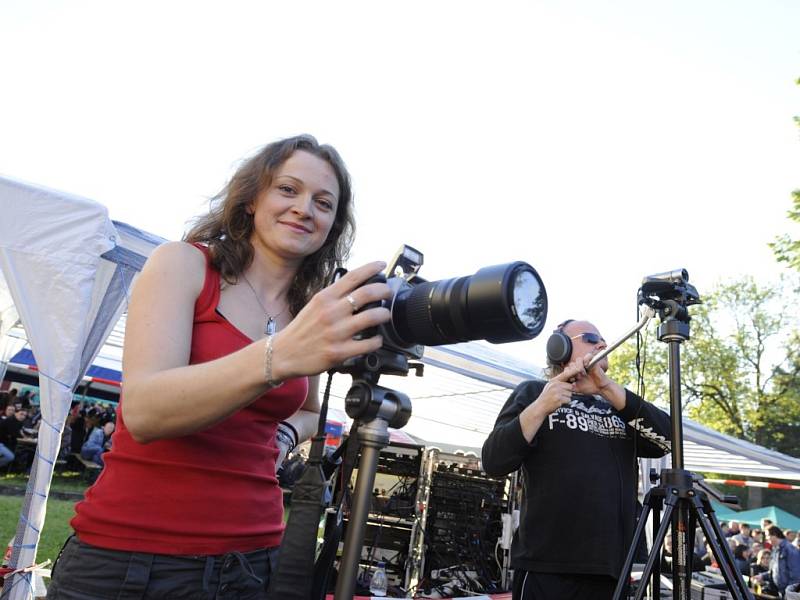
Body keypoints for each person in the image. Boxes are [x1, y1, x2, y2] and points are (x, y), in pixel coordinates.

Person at [46, 135, 393, 599]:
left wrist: (287, 435)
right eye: (287, 190)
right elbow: (146, 412)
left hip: (252, 564)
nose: (304, 208)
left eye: (323, 202)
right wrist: (276, 356)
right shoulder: (184, 265)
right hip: (131, 562)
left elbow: (309, 409)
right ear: (252, 199)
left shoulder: (306, 309)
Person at [482, 319, 671, 600]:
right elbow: (494, 461)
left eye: (603, 340)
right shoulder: (533, 393)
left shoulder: (618, 404)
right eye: (592, 338)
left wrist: (606, 387)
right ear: (560, 347)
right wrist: (540, 408)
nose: (603, 345)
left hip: (610, 569)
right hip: (546, 566)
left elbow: (667, 440)